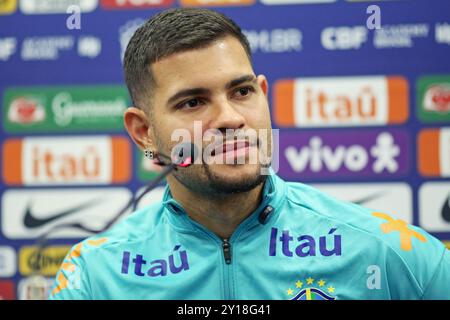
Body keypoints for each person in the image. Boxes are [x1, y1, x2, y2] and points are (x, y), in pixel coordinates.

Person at [49, 8, 450, 300]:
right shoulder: (95, 275)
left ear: (263, 93)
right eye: (193, 102)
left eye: (242, 92)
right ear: (143, 132)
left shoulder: (382, 248)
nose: (230, 118)